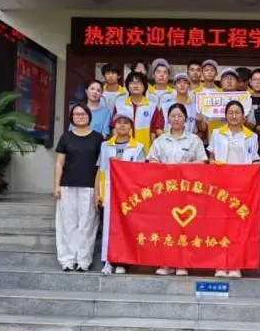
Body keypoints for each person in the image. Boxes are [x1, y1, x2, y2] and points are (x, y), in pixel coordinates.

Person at [148, 103, 208, 277]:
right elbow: (151, 161)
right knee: (166, 227)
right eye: (173, 116)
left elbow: (203, 161)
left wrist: (183, 168)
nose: (176, 119)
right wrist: (166, 169)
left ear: (185, 119)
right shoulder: (160, 141)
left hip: (187, 191)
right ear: (168, 119)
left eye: (180, 116)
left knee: (186, 228)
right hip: (165, 191)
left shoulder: (194, 140)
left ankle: (183, 264)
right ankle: (165, 263)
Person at [207, 100, 258, 278]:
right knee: (220, 225)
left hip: (242, 186)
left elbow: (254, 160)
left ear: (243, 116)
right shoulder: (217, 133)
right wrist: (214, 165)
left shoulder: (251, 136)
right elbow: (211, 157)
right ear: (225, 115)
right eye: (230, 112)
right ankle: (220, 264)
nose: (234, 116)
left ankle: (236, 265)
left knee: (239, 226)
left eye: (237, 112)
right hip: (220, 184)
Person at [54, 104, 104, 272]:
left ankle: (83, 260)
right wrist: (56, 185)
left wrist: (98, 190)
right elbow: (59, 163)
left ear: (89, 116)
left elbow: (101, 166)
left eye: (83, 114)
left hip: (89, 187)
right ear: (71, 118)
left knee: (87, 224)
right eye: (76, 114)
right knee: (67, 224)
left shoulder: (97, 138)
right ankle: (67, 260)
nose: (80, 116)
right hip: (67, 185)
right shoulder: (65, 137)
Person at [97, 112, 146, 275]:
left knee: (125, 227)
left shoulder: (138, 147)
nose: (122, 125)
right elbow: (100, 169)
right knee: (108, 227)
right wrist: (97, 193)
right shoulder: (105, 146)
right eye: (119, 122)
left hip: (128, 194)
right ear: (114, 126)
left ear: (131, 127)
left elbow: (140, 173)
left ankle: (123, 262)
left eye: (126, 122)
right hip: (108, 192)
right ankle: (108, 261)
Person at [113, 71, 155, 152]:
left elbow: (153, 131)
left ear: (144, 86)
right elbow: (114, 128)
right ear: (127, 86)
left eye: (139, 83)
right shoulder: (119, 105)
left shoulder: (152, 106)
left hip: (144, 150)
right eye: (132, 82)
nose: (135, 85)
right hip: (123, 150)